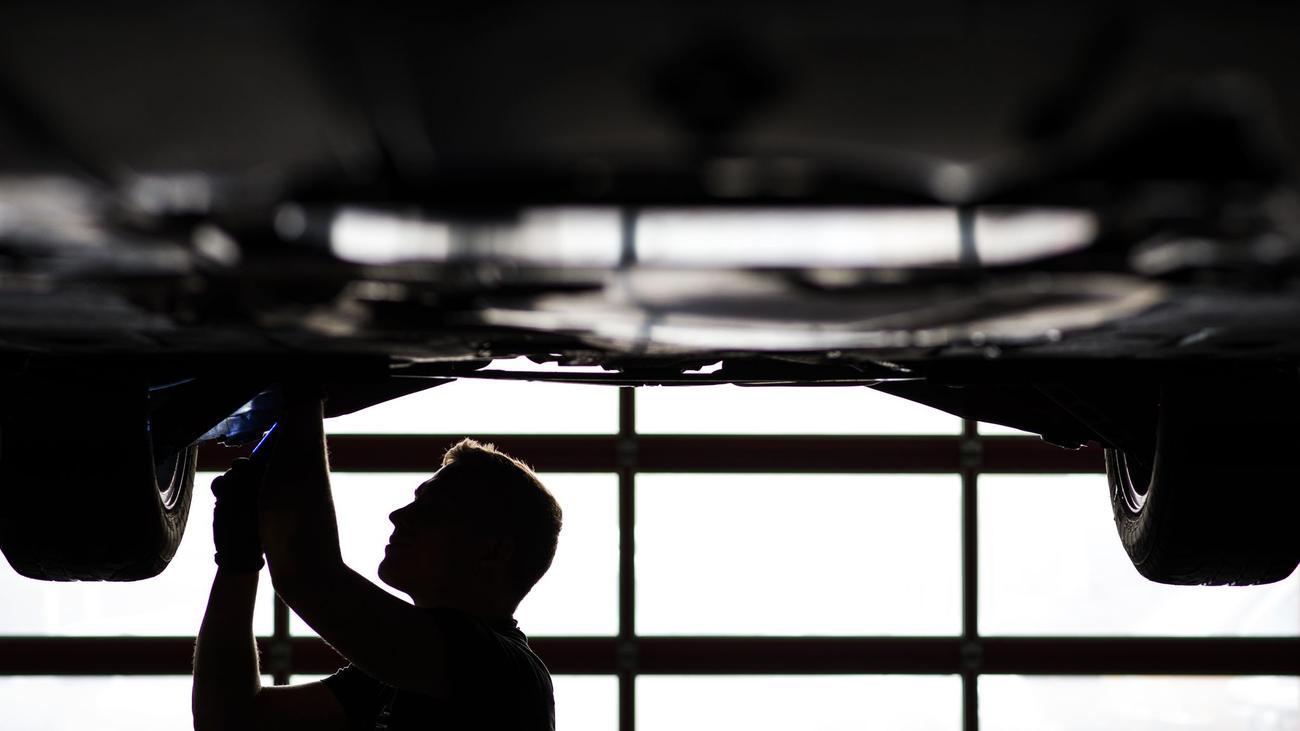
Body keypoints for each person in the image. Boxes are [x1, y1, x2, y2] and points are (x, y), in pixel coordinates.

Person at [192, 390, 562, 730]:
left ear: (492, 552)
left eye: (432, 509)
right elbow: (231, 718)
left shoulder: (500, 671)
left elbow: (309, 576)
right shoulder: (406, 675)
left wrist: (305, 391)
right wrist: (237, 562)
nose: (398, 516)